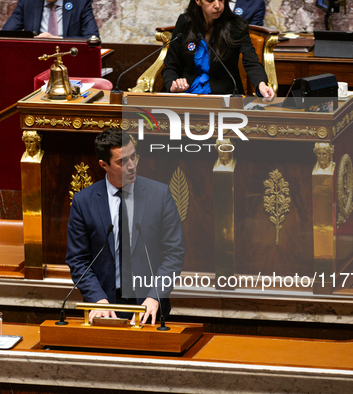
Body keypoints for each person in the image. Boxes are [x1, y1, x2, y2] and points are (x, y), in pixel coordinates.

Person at [66, 129, 185, 325]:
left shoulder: (159, 195)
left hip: (149, 306)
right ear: (104, 165)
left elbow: (174, 254)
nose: (132, 166)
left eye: (133, 157)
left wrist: (155, 295)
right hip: (103, 307)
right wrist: (97, 298)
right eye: (122, 161)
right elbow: (78, 259)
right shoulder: (84, 201)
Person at [162, 0, 274, 97]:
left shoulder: (237, 26)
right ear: (198, 1)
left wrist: (261, 84)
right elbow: (171, 65)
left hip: (224, 97)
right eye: (210, 1)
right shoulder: (185, 23)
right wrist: (173, 85)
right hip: (188, 94)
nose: (217, 5)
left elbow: (252, 62)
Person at [2, 0, 99, 39]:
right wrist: (33, 40)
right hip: (35, 59)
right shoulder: (28, 2)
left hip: (68, 58)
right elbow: (5, 35)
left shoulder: (80, 2)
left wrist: (58, 40)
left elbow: (93, 38)